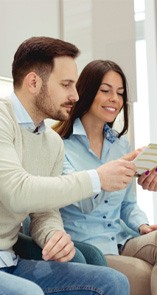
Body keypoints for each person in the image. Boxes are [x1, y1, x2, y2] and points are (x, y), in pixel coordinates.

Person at [54, 59, 157, 295]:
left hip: (121, 239)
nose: (115, 98)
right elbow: (83, 201)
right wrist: (112, 172)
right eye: (105, 91)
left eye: (120, 93)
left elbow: (127, 205)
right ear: (87, 92)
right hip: (88, 247)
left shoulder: (120, 145)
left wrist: (142, 225)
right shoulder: (60, 146)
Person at [0, 36, 135, 294]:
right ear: (33, 82)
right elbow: (17, 192)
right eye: (66, 85)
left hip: (10, 260)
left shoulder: (52, 142)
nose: (75, 95)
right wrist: (96, 178)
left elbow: (44, 212)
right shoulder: (2, 120)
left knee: (114, 282)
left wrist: (52, 235)